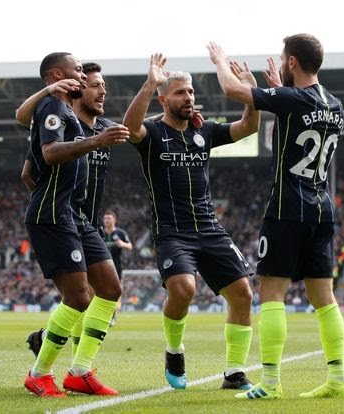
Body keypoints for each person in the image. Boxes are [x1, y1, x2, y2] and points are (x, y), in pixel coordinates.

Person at [208, 34, 344, 400]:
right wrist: (275, 91)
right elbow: (301, 113)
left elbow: (229, 88)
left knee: (272, 293)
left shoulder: (291, 98)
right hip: (321, 209)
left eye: (284, 57)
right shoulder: (335, 104)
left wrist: (220, 60)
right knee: (324, 298)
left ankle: (270, 382)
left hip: (287, 209)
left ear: (291, 62)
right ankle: (337, 380)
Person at [122, 53, 259, 391]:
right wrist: (150, 81)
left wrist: (252, 95)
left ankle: (234, 373)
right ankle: (174, 351)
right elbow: (129, 126)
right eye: (181, 92)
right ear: (164, 98)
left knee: (242, 294)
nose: (189, 98)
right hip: (172, 232)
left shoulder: (205, 131)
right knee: (184, 288)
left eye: (192, 92)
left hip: (209, 228)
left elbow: (249, 127)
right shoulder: (153, 133)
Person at [22, 53, 130, 398]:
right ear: (57, 74)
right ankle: (39, 374)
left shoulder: (68, 112)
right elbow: (51, 153)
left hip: (76, 217)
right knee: (79, 297)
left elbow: (29, 170)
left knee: (110, 290)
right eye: (78, 70)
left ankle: (80, 372)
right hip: (55, 215)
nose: (83, 75)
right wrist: (51, 200)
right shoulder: (52, 107)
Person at [102, 209, 133, 326]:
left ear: (114, 220)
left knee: (115, 293)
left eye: (109, 218)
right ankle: (103, 316)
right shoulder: (100, 233)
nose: (107, 221)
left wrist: (122, 244)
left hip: (116, 268)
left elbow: (130, 246)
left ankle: (113, 316)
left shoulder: (120, 233)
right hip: (101, 268)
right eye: (105, 219)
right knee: (101, 293)